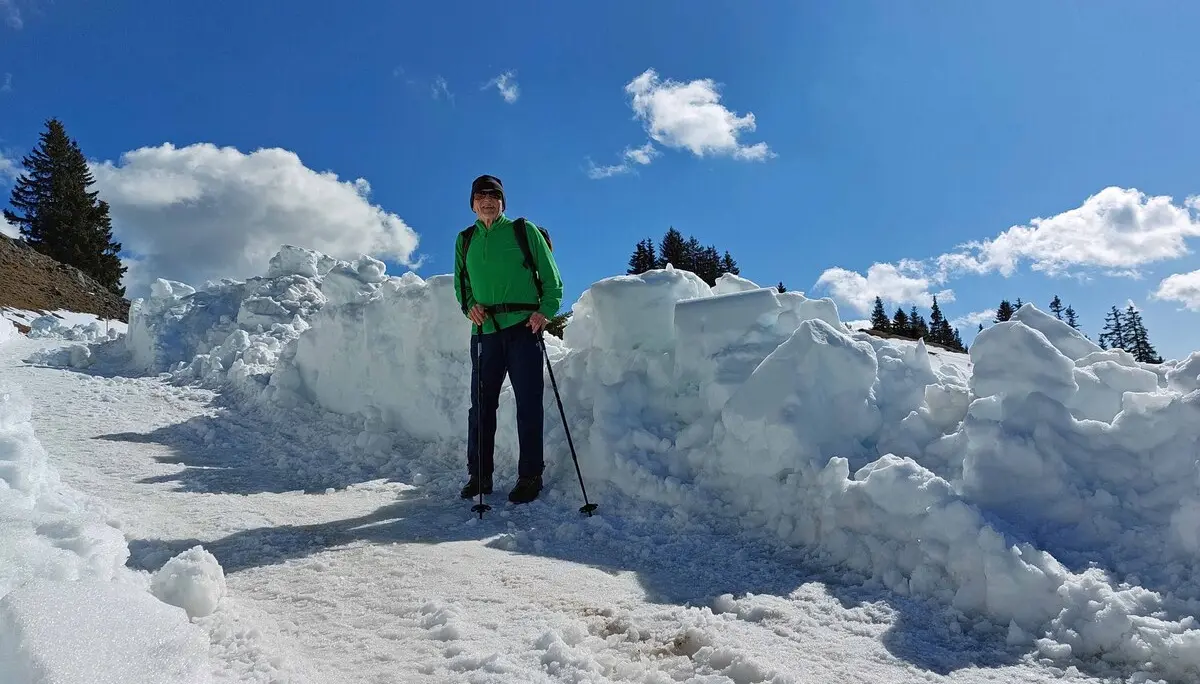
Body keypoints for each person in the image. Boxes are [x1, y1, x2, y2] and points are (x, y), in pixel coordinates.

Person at [453, 174, 563, 504]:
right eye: (480, 195)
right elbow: (462, 285)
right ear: (472, 203)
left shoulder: (523, 231)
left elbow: (552, 278)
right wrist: (469, 305)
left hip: (523, 328)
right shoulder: (465, 239)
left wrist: (544, 311)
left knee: (528, 404)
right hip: (485, 332)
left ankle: (530, 476)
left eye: (494, 195)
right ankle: (479, 475)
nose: (487, 200)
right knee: (481, 407)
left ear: (503, 202)